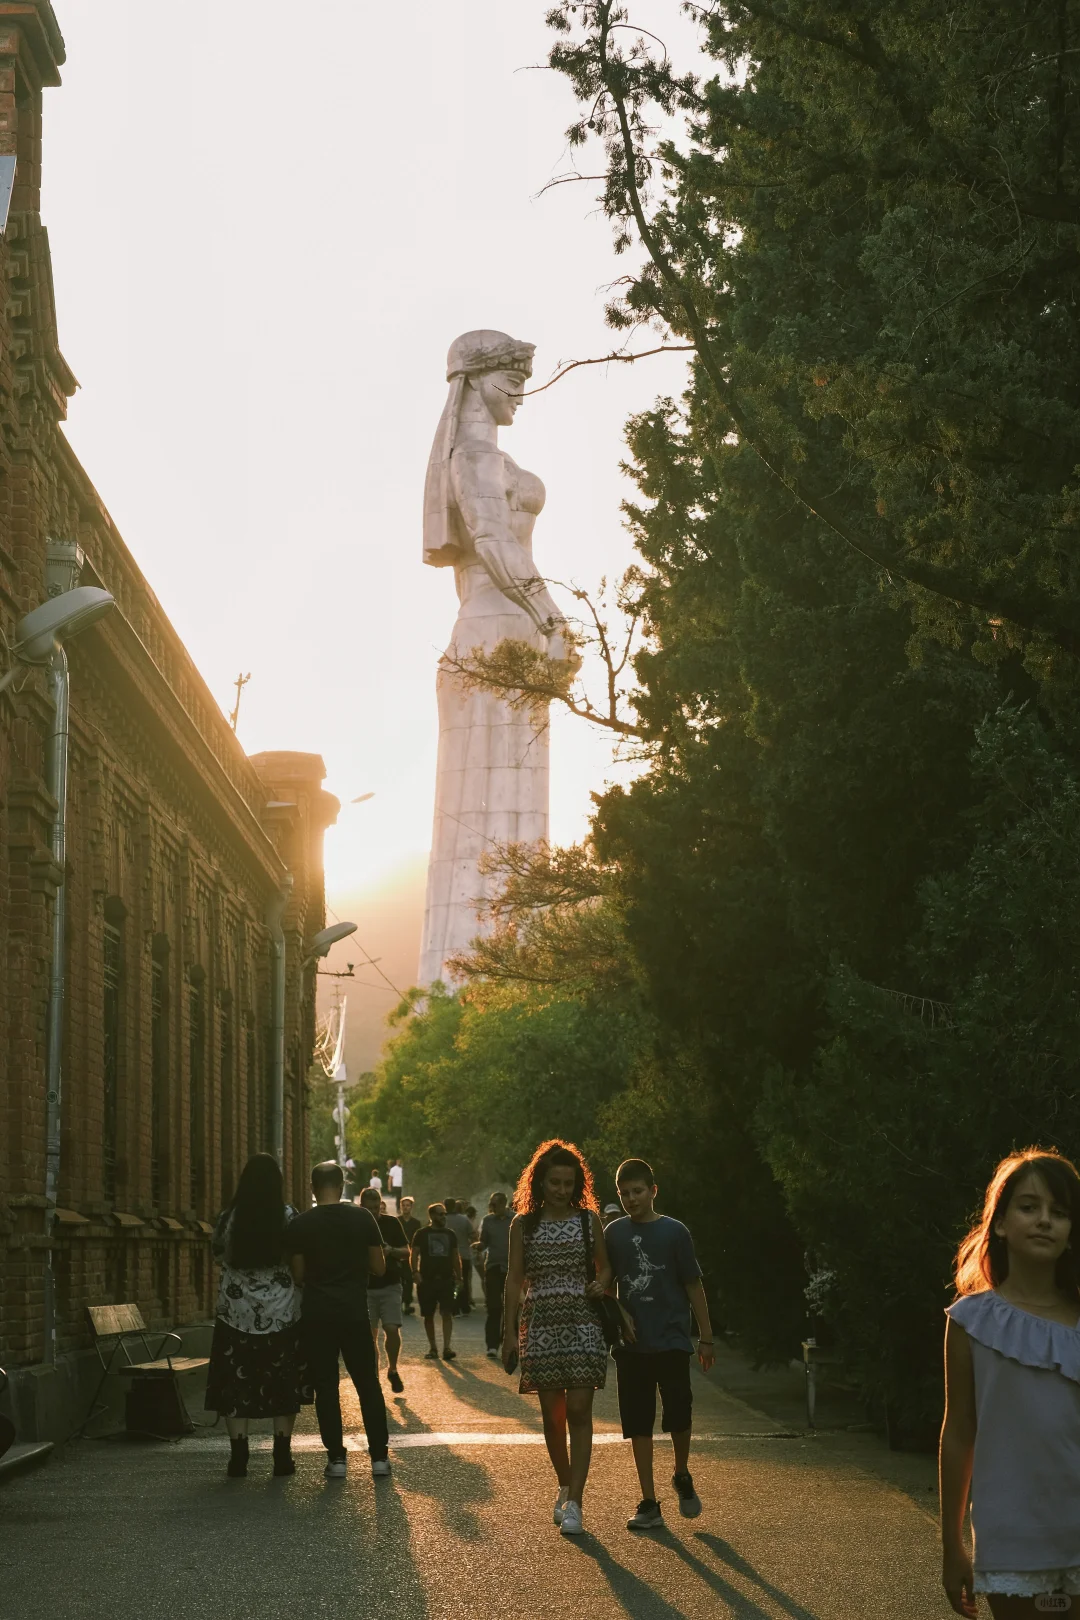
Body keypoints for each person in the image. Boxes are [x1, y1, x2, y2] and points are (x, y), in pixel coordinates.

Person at [940, 1147, 1080, 1619]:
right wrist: (952, 1546)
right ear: (999, 1223)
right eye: (1028, 1207)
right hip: (1013, 1541)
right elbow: (958, 1432)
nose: (1044, 1221)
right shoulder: (970, 1321)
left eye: (1059, 1213)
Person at [502, 1139, 611, 1538]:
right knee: (553, 1416)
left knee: (580, 1410)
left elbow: (604, 1268)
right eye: (555, 1183)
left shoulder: (589, 1221)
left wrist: (600, 1284)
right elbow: (514, 1279)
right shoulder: (523, 1225)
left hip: (583, 1322)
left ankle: (576, 1502)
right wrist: (509, 1333)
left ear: (578, 1184)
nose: (562, 1190)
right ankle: (564, 1484)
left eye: (569, 1183)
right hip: (542, 1322)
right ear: (540, 1183)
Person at [605, 1158, 715, 1529]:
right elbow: (607, 1283)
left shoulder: (675, 1232)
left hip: (671, 1340)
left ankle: (681, 1473)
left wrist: (706, 1337)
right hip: (632, 1345)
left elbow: (693, 1285)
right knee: (638, 1422)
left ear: (653, 1191)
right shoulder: (614, 1234)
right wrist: (618, 1313)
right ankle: (649, 1501)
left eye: (637, 1192)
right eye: (624, 1194)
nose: (631, 1199)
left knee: (679, 1412)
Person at [205, 1153, 308, 1479]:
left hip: (235, 1315)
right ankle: (282, 1454)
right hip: (282, 1315)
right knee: (282, 1383)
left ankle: (239, 1456)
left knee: (235, 1384)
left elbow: (217, 1255)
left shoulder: (228, 1218)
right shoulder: (288, 1216)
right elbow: (298, 1259)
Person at [287, 1161, 391, 1480]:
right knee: (368, 1384)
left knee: (326, 1387)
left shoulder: (301, 1224)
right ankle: (379, 1458)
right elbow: (380, 1267)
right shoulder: (363, 1218)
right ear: (343, 1186)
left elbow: (298, 1273)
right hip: (354, 1313)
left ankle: (336, 1459)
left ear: (312, 1188)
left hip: (318, 1313)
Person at [359, 1186, 410, 1394]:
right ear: (362, 1207)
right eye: (369, 1209)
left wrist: (391, 1251)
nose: (373, 1213)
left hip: (390, 1285)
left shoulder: (391, 1223)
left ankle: (393, 1369)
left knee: (391, 1328)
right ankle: (374, 1377)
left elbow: (406, 1252)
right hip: (366, 1288)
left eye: (376, 1208)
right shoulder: (358, 1225)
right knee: (369, 1335)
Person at [412, 1203, 461, 1360]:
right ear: (432, 1216)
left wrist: (459, 1277)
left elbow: (455, 1256)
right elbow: (413, 1255)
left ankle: (447, 1348)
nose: (443, 1217)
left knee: (447, 1313)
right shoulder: (421, 1234)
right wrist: (415, 1272)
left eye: (444, 1214)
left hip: (446, 1280)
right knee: (428, 1315)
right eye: (440, 1214)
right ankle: (433, 1348)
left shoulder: (450, 1234)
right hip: (427, 1281)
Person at [478, 1192, 512, 1359]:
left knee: (510, 1308)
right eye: (490, 1204)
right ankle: (492, 1345)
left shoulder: (515, 1219)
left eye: (495, 1205)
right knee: (493, 1308)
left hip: (511, 1269)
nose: (491, 1208)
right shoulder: (487, 1220)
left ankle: (507, 1342)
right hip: (492, 1267)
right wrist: (479, 1245)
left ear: (503, 1204)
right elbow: (484, 1241)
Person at [445, 1197, 476, 1313]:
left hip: (447, 1257)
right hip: (463, 1254)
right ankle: (464, 1306)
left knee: (450, 1282)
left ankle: (454, 1306)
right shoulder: (464, 1219)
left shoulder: (442, 1220)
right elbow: (473, 1235)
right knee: (463, 1281)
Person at [398, 1196, 421, 1315]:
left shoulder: (416, 1223)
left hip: (411, 1255)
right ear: (400, 1206)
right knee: (398, 1279)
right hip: (398, 1254)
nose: (405, 1208)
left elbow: (417, 1240)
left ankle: (407, 1302)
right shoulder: (397, 1221)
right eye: (403, 1205)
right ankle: (399, 1302)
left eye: (408, 1205)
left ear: (411, 1207)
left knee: (409, 1278)